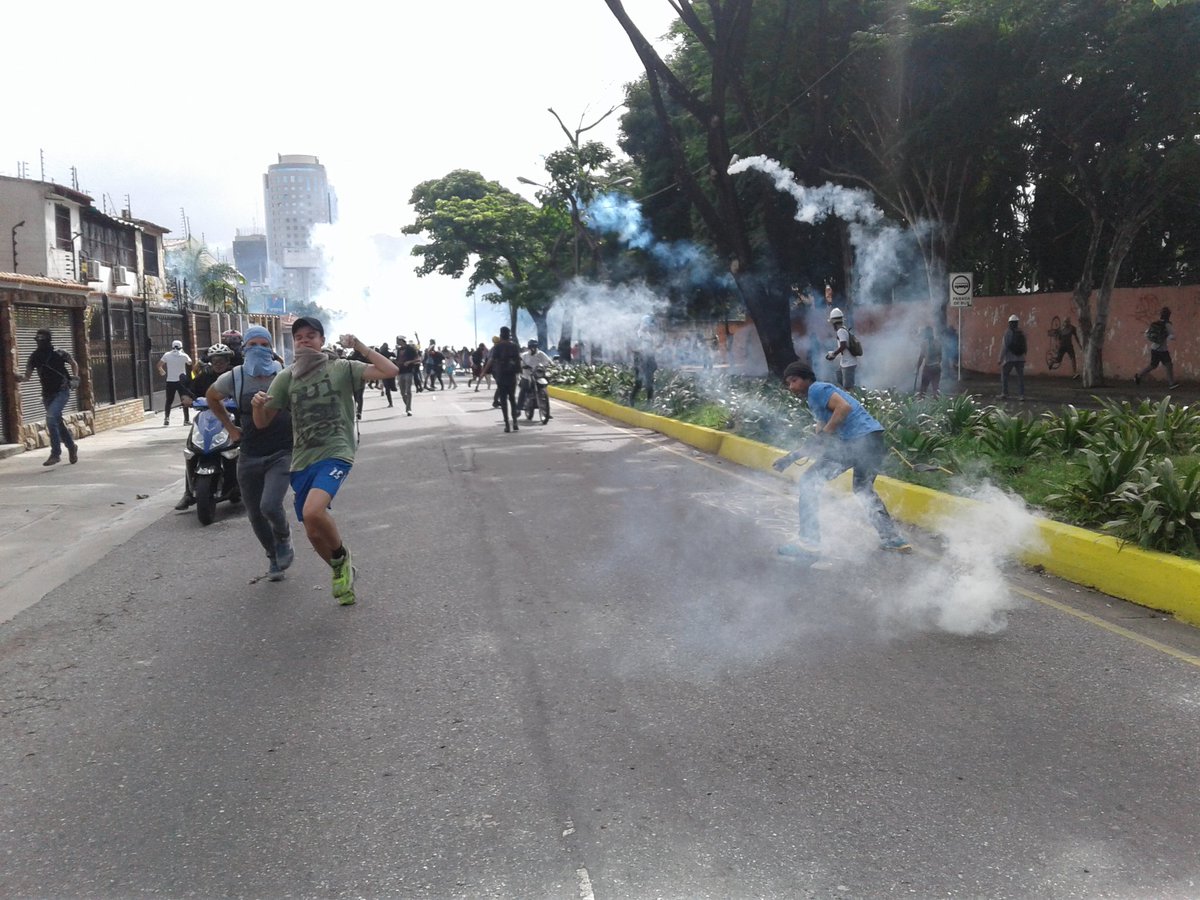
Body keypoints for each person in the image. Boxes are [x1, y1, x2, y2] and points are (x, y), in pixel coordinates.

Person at [252, 316, 398, 606]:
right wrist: (257, 406)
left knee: (314, 511)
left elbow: (389, 370)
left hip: (336, 450)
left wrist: (358, 346)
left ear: (321, 340)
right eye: (299, 337)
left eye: (311, 336)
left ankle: (342, 559)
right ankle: (341, 572)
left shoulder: (341, 368)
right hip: (303, 458)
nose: (304, 341)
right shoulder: (287, 377)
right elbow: (262, 423)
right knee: (311, 527)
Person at [772, 362, 911, 556]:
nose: (791, 387)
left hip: (856, 442)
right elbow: (818, 440)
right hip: (873, 441)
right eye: (788, 383)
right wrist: (791, 458)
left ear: (806, 379)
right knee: (863, 489)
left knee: (809, 482)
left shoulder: (817, 389)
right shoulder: (817, 403)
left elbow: (843, 408)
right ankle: (893, 539)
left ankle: (809, 543)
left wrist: (827, 433)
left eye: (794, 381)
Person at [205, 326, 295, 582]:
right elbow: (212, 397)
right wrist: (231, 428)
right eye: (252, 344)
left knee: (270, 504)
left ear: (271, 349)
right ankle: (273, 556)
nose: (258, 349)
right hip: (250, 453)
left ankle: (284, 537)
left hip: (282, 450)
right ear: (244, 349)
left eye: (264, 345)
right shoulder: (235, 377)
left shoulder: (285, 373)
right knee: (255, 513)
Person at [174, 343, 236, 510]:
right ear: (210, 361)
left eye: (222, 360)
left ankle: (245, 481)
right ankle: (188, 493)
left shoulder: (235, 374)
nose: (218, 363)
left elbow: (246, 390)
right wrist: (187, 397)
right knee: (192, 450)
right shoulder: (204, 375)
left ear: (227, 360)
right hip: (207, 416)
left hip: (232, 416)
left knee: (246, 442)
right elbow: (191, 389)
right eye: (215, 360)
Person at [17, 329, 80, 466]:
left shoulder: (59, 352)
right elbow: (27, 376)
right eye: (38, 340)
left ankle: (55, 454)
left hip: (62, 391)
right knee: (57, 423)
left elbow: (73, 363)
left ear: (48, 340)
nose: (40, 342)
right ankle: (71, 446)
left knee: (51, 418)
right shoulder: (34, 357)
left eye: (43, 340)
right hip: (47, 394)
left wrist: (75, 378)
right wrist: (18, 377)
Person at [481, 326, 522, 432]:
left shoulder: (497, 347)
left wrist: (483, 372)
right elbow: (518, 360)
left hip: (501, 375)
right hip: (512, 376)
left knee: (503, 400)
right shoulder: (514, 346)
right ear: (509, 335)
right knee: (512, 399)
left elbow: (491, 360)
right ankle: (515, 422)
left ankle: (507, 424)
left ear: (501, 335)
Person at [1135, 307, 1179, 390]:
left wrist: (1157, 338)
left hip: (1154, 348)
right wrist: (1166, 336)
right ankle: (1171, 383)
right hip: (1162, 349)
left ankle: (1138, 376)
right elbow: (1172, 336)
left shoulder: (1155, 323)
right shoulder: (1167, 324)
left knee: (1153, 365)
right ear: (1168, 315)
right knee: (1168, 365)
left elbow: (1146, 334)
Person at [157, 340, 194, 426]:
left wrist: (161, 371)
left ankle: (166, 418)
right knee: (184, 400)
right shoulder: (184, 356)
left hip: (170, 381)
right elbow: (190, 362)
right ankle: (186, 420)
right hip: (181, 381)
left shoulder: (167, 355)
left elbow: (159, 365)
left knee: (169, 400)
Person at [519, 339, 555, 421]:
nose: (533, 348)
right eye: (531, 346)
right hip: (527, 375)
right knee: (524, 389)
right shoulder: (524, 355)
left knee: (545, 388)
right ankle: (518, 408)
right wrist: (523, 366)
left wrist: (551, 364)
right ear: (529, 347)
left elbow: (548, 361)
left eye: (534, 346)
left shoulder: (540, 354)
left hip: (538, 375)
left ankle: (546, 411)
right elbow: (520, 363)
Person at [825, 307, 858, 391]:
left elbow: (843, 345)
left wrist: (834, 354)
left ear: (834, 323)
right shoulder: (843, 330)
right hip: (845, 362)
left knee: (848, 388)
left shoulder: (840, 331)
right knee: (839, 379)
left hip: (848, 363)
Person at [630, 315, 660, 405]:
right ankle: (631, 400)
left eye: (649, 325)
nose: (648, 326)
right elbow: (632, 348)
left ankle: (649, 403)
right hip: (640, 361)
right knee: (638, 383)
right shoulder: (637, 335)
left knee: (649, 383)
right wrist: (641, 351)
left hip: (649, 361)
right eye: (646, 324)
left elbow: (651, 349)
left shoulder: (649, 335)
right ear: (642, 323)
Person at [999, 313, 1027, 400]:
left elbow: (1004, 347)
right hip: (1021, 358)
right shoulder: (1022, 332)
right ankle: (1021, 395)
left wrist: (1000, 358)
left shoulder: (1007, 333)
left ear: (1009, 323)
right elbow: (1025, 345)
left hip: (1009, 359)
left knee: (1004, 375)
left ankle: (1005, 393)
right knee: (1020, 377)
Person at [915, 326, 943, 398]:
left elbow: (921, 357)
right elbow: (940, 356)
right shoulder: (938, 342)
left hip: (928, 368)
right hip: (936, 367)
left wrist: (918, 367)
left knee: (923, 388)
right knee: (935, 388)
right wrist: (937, 363)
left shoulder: (924, 344)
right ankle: (937, 405)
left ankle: (920, 403)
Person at [396, 336, 420, 415]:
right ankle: (407, 406)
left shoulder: (411, 349)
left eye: (398, 340)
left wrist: (409, 362)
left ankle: (409, 409)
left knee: (408, 391)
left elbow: (418, 359)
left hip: (408, 371)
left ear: (402, 341)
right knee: (402, 392)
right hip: (400, 372)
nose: (397, 341)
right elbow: (398, 360)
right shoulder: (399, 350)